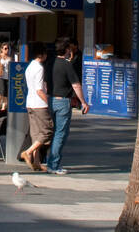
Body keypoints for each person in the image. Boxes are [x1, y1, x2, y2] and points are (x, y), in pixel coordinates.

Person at [47, 37, 89, 175]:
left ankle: (49, 162)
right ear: (66, 50)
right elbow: (76, 85)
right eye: (69, 48)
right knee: (61, 133)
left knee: (53, 133)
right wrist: (83, 102)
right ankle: (54, 164)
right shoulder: (67, 65)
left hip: (50, 99)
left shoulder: (50, 62)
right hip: (63, 101)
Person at [20, 43, 52, 173]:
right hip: (39, 104)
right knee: (47, 131)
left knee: (35, 133)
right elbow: (39, 89)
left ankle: (37, 162)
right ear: (42, 54)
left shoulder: (29, 67)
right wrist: (47, 101)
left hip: (30, 102)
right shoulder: (39, 68)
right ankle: (28, 152)